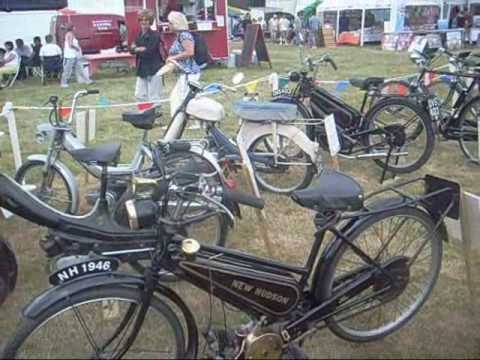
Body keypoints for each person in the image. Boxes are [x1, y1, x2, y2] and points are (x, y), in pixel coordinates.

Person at [165, 11, 202, 130]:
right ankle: (175, 123)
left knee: (187, 98)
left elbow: (190, 52)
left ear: (176, 23)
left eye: (170, 22)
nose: (168, 25)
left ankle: (196, 122)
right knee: (176, 97)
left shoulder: (184, 36)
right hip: (184, 73)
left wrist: (173, 58)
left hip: (189, 73)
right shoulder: (180, 36)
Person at [130, 9, 164, 102]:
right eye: (142, 20)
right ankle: (144, 112)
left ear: (150, 21)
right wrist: (139, 49)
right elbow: (131, 50)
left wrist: (137, 49)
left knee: (153, 95)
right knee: (139, 95)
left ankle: (156, 112)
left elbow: (149, 51)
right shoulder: (138, 35)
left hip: (154, 68)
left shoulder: (155, 35)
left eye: (146, 20)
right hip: (141, 68)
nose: (144, 22)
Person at [60, 23, 92, 88]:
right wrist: (77, 48)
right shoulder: (70, 34)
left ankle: (87, 80)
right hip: (70, 55)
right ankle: (63, 83)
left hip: (73, 55)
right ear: (72, 28)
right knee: (68, 70)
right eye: (74, 27)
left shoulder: (69, 34)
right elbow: (70, 45)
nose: (75, 28)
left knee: (80, 68)